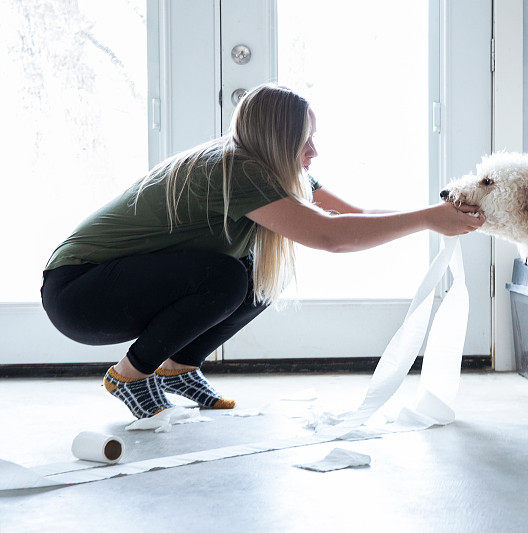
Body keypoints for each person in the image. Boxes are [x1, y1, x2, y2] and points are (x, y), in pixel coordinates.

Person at [40, 83, 484, 419]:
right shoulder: (236, 169)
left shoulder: (272, 170)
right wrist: (428, 220)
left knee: (260, 276)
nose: (314, 151)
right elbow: (330, 237)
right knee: (226, 276)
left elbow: (354, 214)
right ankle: (131, 376)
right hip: (79, 294)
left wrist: (436, 212)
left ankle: (177, 367)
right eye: (304, 140)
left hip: (101, 290)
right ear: (277, 141)